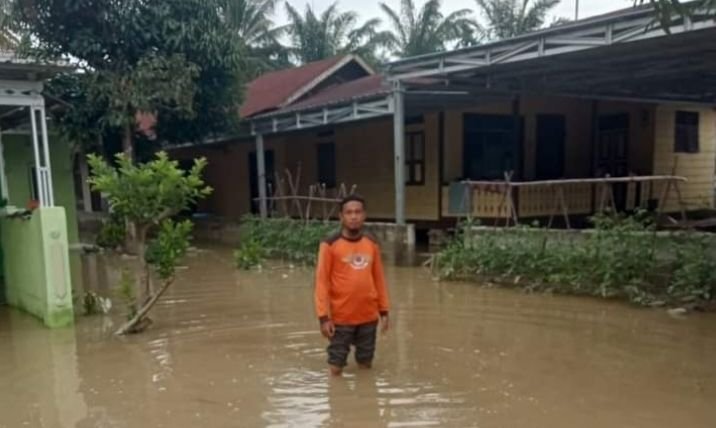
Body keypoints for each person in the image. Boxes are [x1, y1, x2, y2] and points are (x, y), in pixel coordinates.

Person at [314, 195, 390, 376]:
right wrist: (323, 317)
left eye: (357, 212)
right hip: (341, 318)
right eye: (349, 212)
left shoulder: (372, 243)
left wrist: (384, 311)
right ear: (341, 216)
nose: (353, 216)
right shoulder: (330, 244)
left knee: (365, 364)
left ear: (364, 215)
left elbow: (378, 278)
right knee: (336, 368)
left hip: (368, 317)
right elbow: (321, 281)